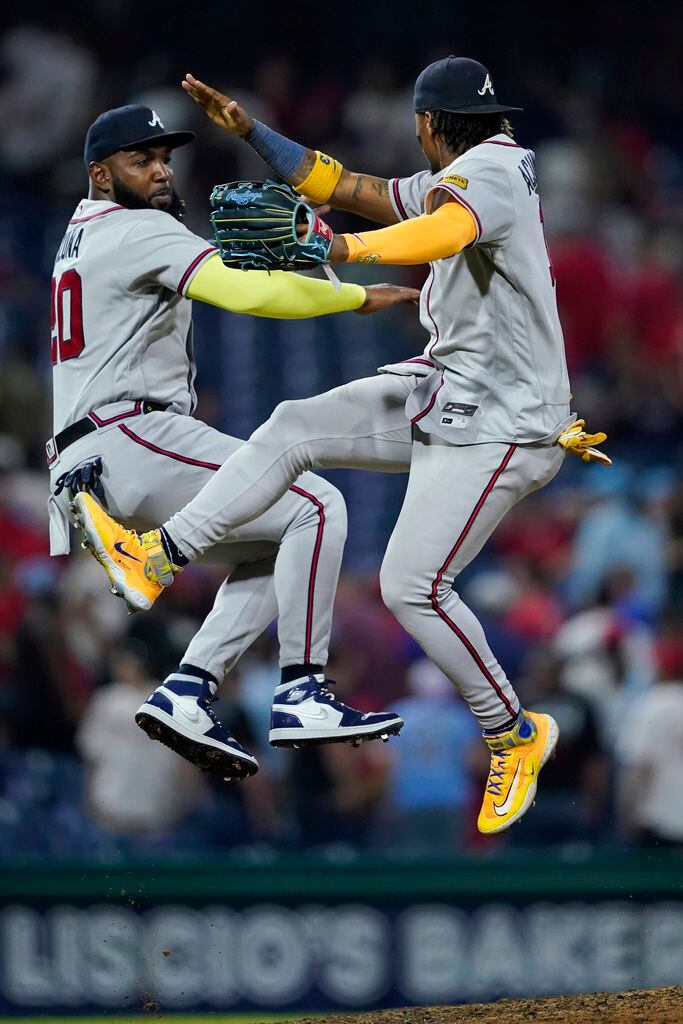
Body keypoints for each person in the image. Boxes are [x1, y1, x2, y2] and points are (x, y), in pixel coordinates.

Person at [75, 59, 610, 833]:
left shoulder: (488, 175)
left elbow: (444, 230)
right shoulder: (468, 167)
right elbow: (346, 185)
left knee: (411, 587)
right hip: (447, 391)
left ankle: (514, 733)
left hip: (504, 421)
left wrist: (343, 251)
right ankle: (158, 556)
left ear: (427, 125)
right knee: (293, 425)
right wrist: (253, 133)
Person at [51, 103, 416, 782]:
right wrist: (350, 299)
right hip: (131, 433)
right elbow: (243, 293)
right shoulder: (135, 231)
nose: (160, 170)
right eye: (140, 160)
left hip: (93, 457)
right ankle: (302, 690)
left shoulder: (81, 235)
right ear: (99, 174)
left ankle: (189, 686)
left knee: (277, 540)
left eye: (163, 157)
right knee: (314, 503)